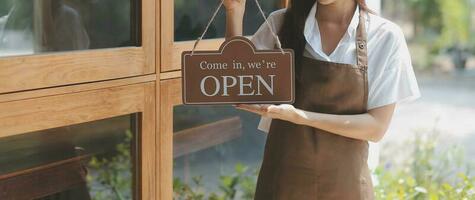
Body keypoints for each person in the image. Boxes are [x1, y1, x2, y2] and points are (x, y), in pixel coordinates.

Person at [225, 0, 421, 199]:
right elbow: (234, 81)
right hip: (282, 183)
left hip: (346, 187)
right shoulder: (282, 23)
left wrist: (300, 117)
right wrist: (234, 12)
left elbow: (376, 127)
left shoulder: (384, 36)